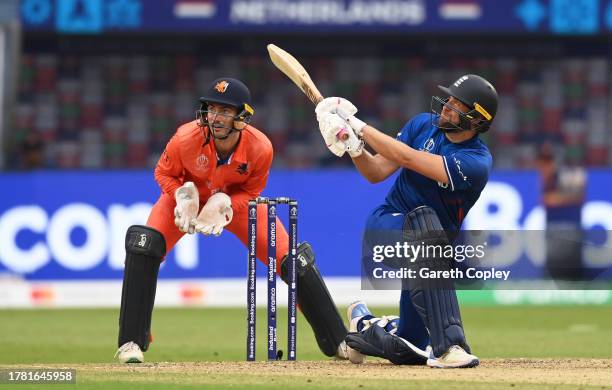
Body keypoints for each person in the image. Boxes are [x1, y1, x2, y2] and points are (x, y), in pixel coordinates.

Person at [115, 77, 348, 363]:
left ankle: (338, 341)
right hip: (187, 198)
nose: (215, 117)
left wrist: (226, 204)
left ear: (242, 115)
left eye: (225, 111)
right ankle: (130, 342)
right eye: (212, 109)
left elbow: (252, 191)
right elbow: (163, 173)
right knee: (144, 245)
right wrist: (181, 196)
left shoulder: (260, 147)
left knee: (293, 260)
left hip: (235, 205)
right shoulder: (185, 138)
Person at [315, 74, 498, 368]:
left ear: (476, 120)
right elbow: (375, 172)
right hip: (388, 224)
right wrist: (354, 148)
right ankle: (450, 347)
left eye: (456, 105)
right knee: (425, 226)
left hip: (429, 252)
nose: (446, 108)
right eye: (447, 100)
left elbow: (411, 160)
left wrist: (358, 126)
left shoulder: (476, 162)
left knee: (409, 348)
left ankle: (364, 324)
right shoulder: (422, 125)